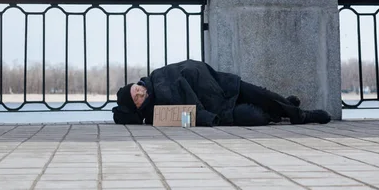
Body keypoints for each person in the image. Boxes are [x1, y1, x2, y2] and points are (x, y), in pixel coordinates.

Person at [112, 59, 331, 127]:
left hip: (221, 85)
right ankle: (278, 110)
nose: (141, 93)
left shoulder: (157, 75)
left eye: (137, 90)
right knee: (254, 117)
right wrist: (207, 117)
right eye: (137, 99)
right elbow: (188, 116)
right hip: (219, 109)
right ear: (138, 108)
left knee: (260, 94)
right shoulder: (157, 115)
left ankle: (300, 115)